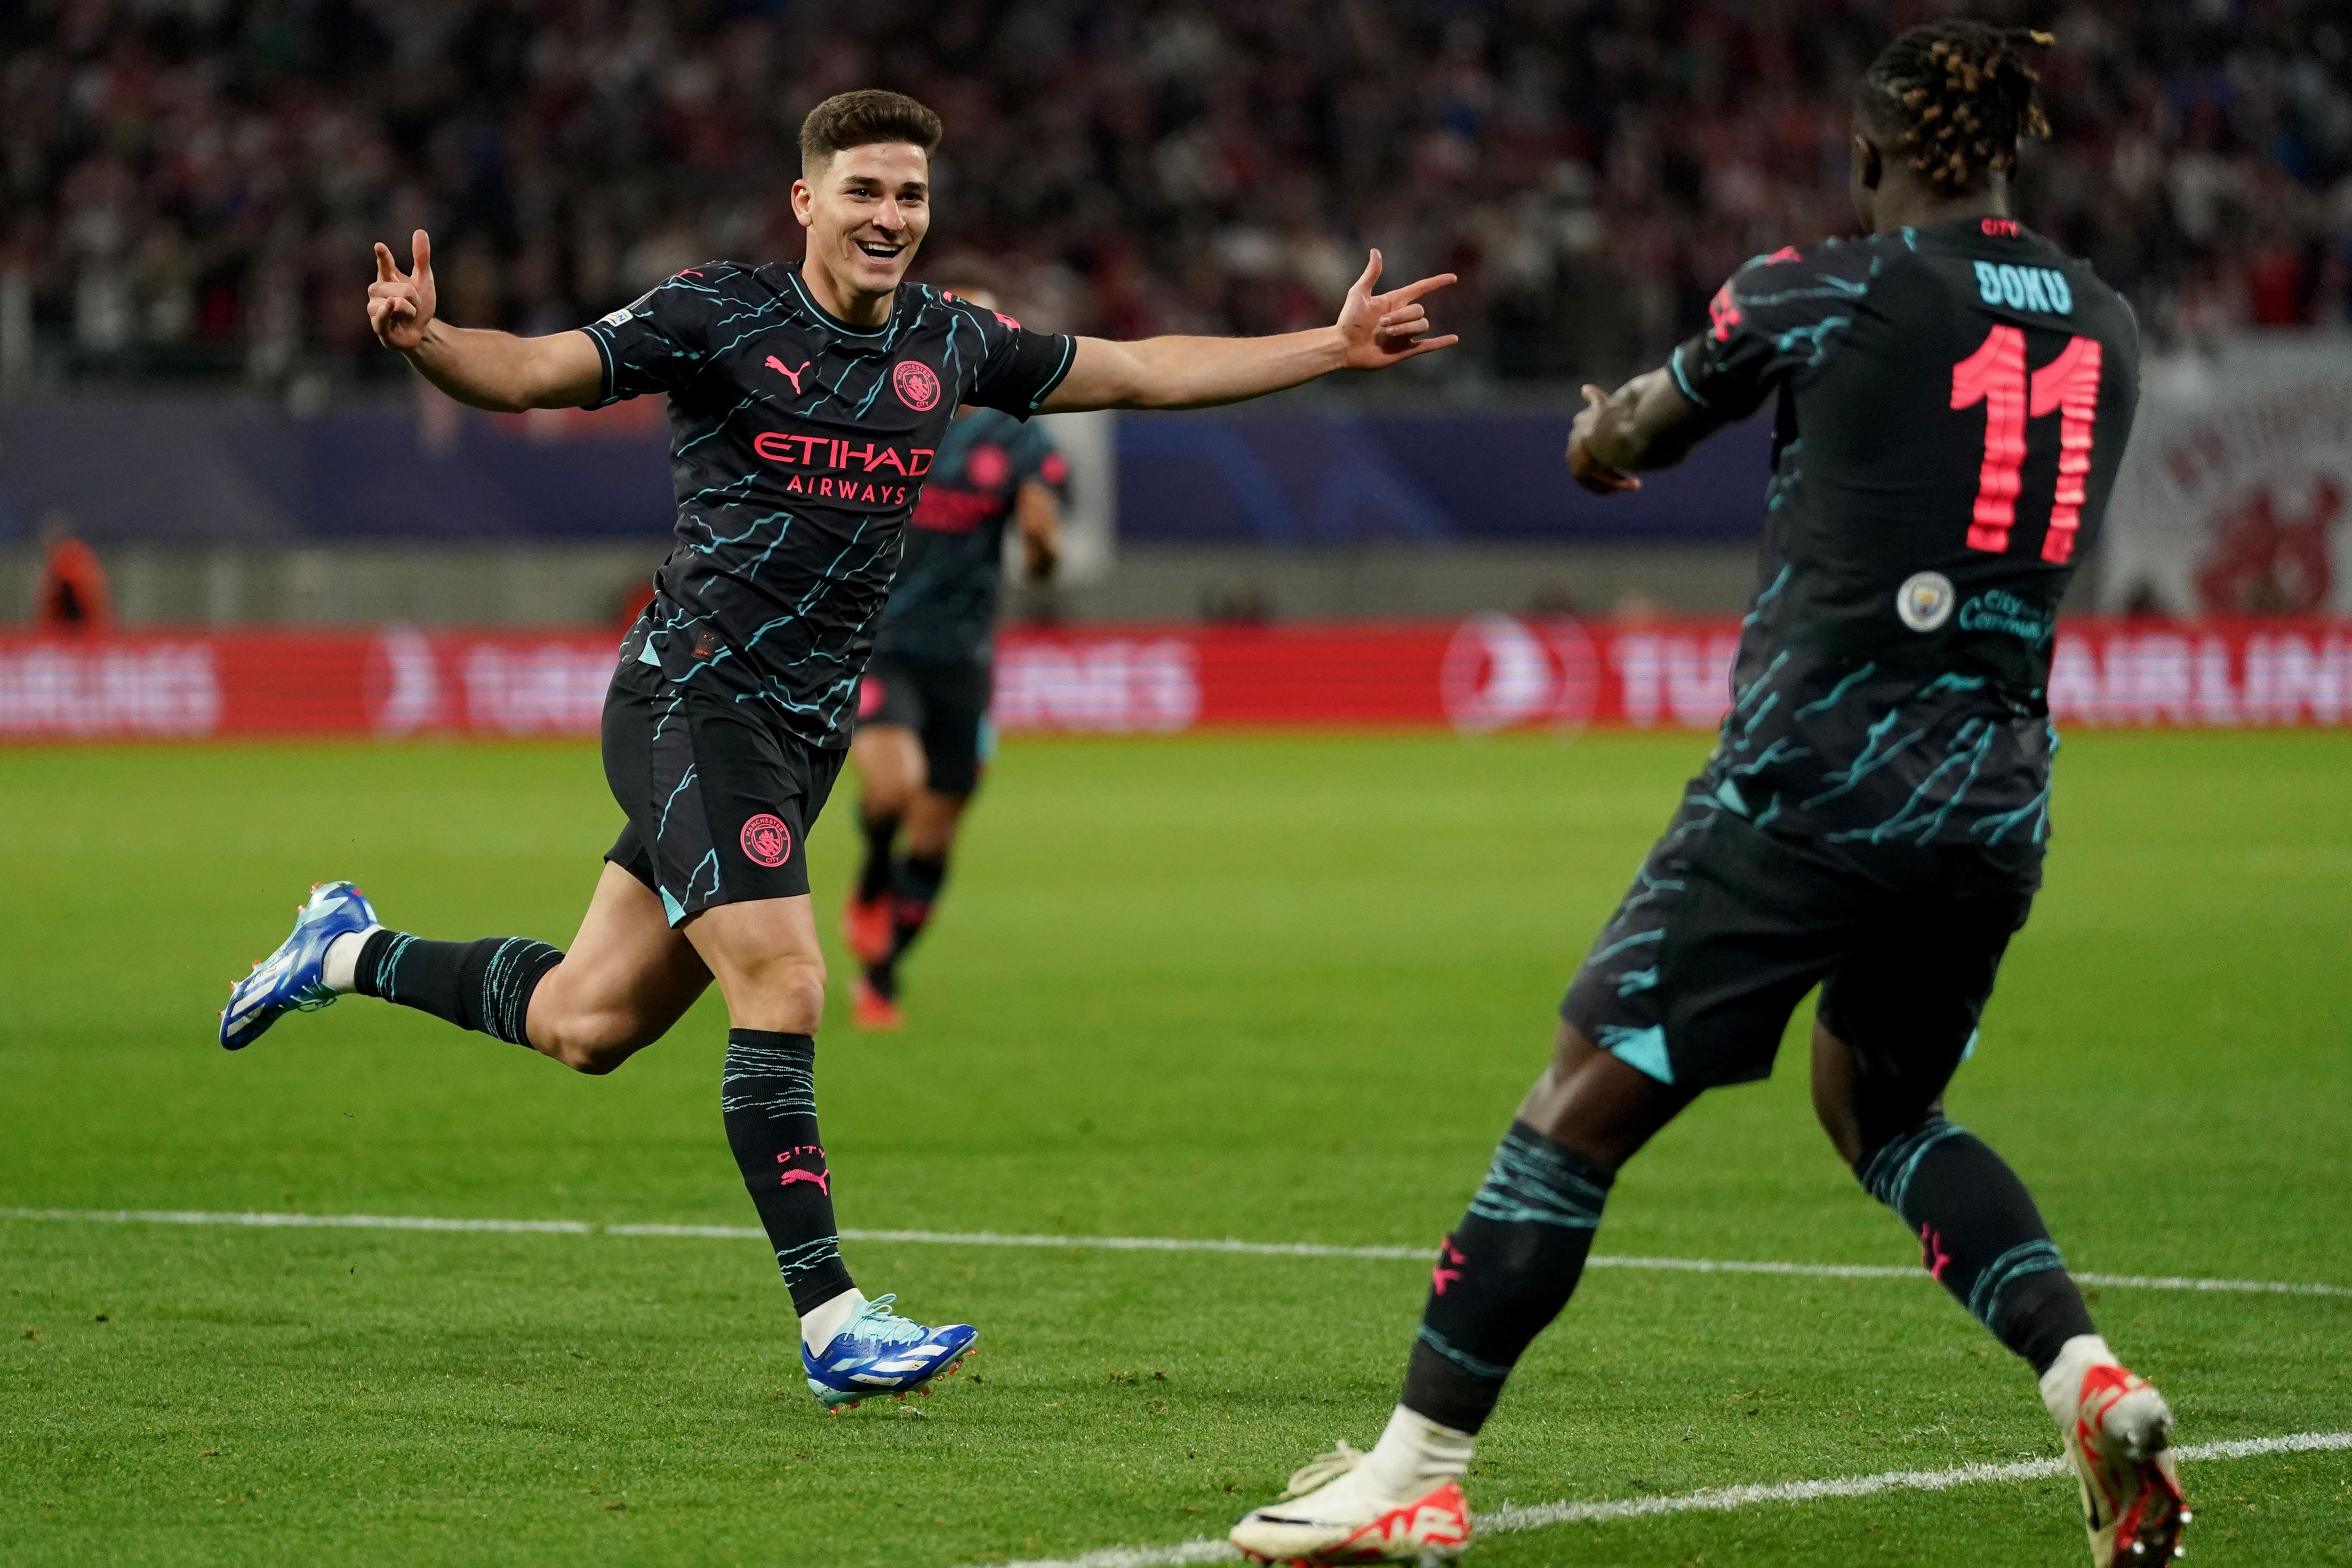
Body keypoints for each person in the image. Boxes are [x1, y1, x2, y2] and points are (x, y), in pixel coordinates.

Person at [218, 89, 1454, 1413]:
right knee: (789, 980)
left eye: (910, 195)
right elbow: (530, 372)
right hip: (692, 700)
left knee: (588, 1020)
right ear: (804, 202)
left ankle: (338, 946)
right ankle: (833, 1318)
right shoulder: (714, 315)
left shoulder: (950, 340)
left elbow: (1141, 370)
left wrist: (1325, 347)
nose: (889, 217)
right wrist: (429, 341)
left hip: (798, 735)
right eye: (863, 191)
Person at [1231, 25, 2185, 1568]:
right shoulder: (2111, 322)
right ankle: (2089, 1376)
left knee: (1576, 1106)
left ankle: (1416, 1466)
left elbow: (1633, 438)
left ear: (1872, 156)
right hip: (1998, 789)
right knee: (1885, 1105)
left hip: (1813, 776)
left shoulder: (1819, 282)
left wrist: (1600, 432)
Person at [843, 284, 1067, 1030]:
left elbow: (1041, 566)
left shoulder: (1016, 436)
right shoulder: (878, 409)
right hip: (878, 645)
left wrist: (1038, 544)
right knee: (893, 785)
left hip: (962, 659)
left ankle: (881, 973)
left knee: (937, 830)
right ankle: (873, 869)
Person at [32, 511, 113, 633]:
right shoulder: (70, 555)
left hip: (79, 630)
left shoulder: (69, 556)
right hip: (86, 627)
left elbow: (79, 595)